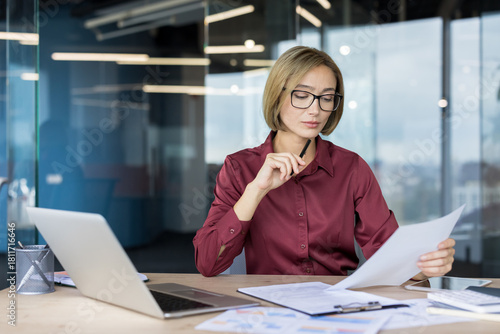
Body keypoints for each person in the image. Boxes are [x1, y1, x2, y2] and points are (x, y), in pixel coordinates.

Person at [193, 46, 455, 279]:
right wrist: (255, 190)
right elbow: (207, 263)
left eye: (326, 98)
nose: (315, 110)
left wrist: (425, 265)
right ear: (277, 95)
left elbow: (389, 254)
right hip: (268, 311)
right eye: (302, 95)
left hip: (336, 309)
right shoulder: (240, 168)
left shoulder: (352, 168)